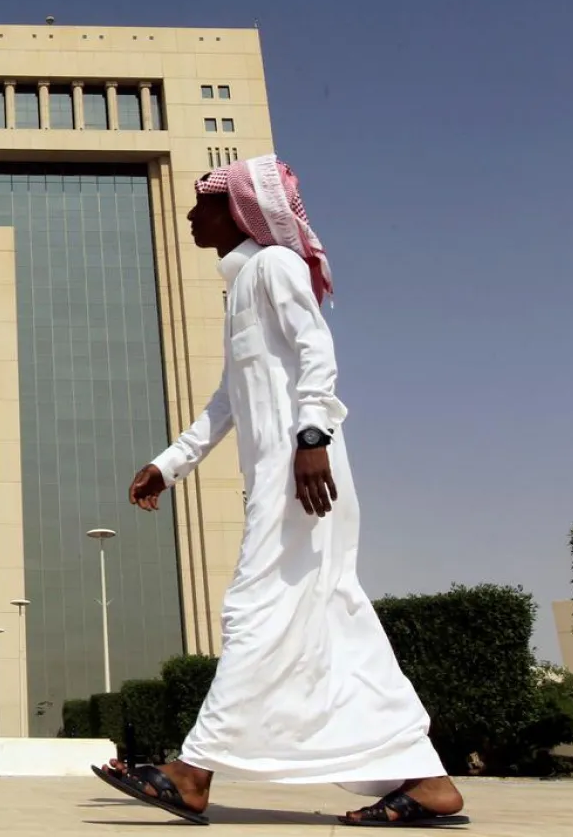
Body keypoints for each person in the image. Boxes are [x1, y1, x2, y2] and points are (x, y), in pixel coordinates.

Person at [93, 155, 468, 828]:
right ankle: (427, 779)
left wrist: (314, 439)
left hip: (304, 474)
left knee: (254, 609)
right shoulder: (244, 286)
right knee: (335, 621)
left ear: (235, 212)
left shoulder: (274, 266)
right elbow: (226, 400)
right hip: (283, 472)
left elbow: (314, 351)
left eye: (201, 206)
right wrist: (169, 464)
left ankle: (192, 772)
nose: (189, 217)